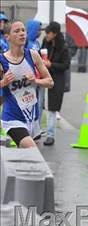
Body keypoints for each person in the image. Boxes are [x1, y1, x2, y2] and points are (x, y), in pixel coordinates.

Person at [0, 20, 53, 148]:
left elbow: (50, 82)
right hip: (13, 117)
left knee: (29, 160)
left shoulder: (33, 55)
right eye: (17, 31)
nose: (22, 34)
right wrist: (3, 82)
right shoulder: (2, 60)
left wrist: (35, 81)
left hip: (33, 118)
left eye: (23, 30)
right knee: (32, 150)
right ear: (7, 37)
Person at [40, 21, 70, 146]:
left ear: (55, 33)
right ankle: (36, 131)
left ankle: (50, 135)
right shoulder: (45, 43)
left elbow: (65, 65)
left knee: (52, 108)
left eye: (49, 32)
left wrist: (51, 65)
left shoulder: (63, 47)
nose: (46, 34)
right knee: (39, 105)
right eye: (46, 32)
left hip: (56, 79)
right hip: (42, 77)